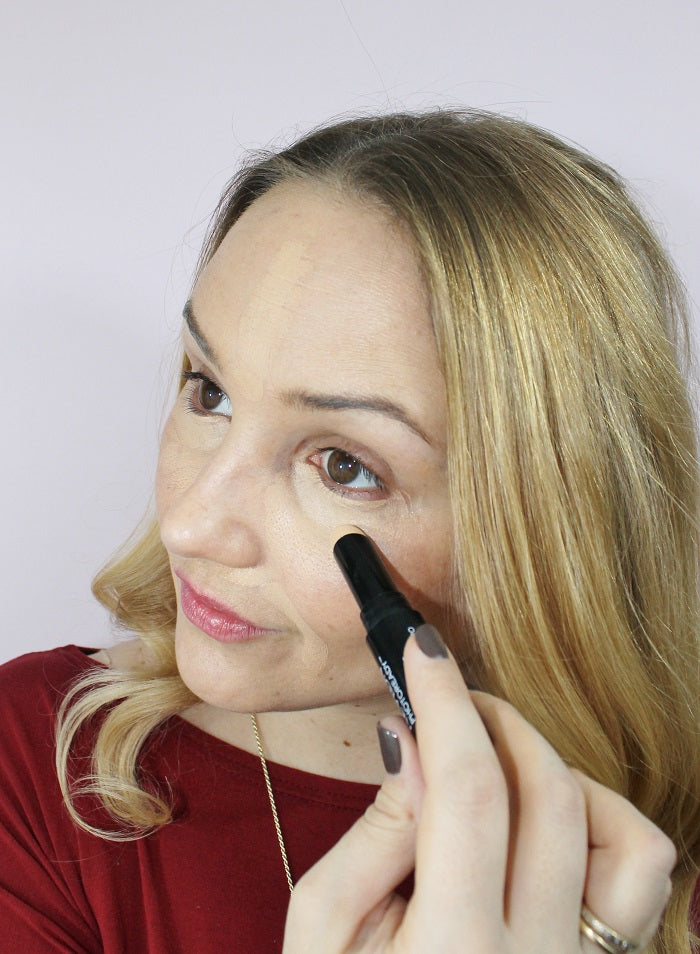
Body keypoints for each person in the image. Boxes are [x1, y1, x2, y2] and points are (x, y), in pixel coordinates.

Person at [0, 110, 697, 953]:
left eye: (343, 466)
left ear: (551, 524)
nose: (189, 524)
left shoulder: (666, 855)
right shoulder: (34, 767)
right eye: (209, 392)